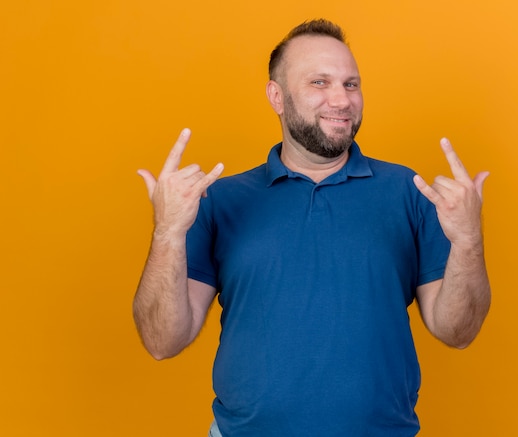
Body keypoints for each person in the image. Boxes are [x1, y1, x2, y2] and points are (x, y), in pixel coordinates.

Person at [133, 19, 491, 437]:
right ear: (277, 96)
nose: (341, 99)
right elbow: (162, 342)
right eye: (319, 82)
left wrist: (468, 240)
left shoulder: (409, 192)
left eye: (351, 84)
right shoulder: (219, 200)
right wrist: (168, 233)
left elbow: (457, 331)